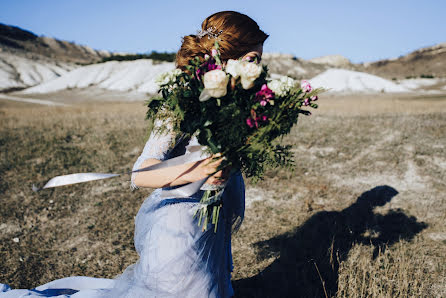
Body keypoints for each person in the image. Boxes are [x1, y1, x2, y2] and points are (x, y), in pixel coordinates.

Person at [0, 11, 268, 298]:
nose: (259, 68)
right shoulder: (183, 101)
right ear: (221, 57)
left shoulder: (236, 103)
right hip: (181, 229)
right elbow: (142, 171)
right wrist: (201, 170)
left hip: (213, 223)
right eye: (252, 59)